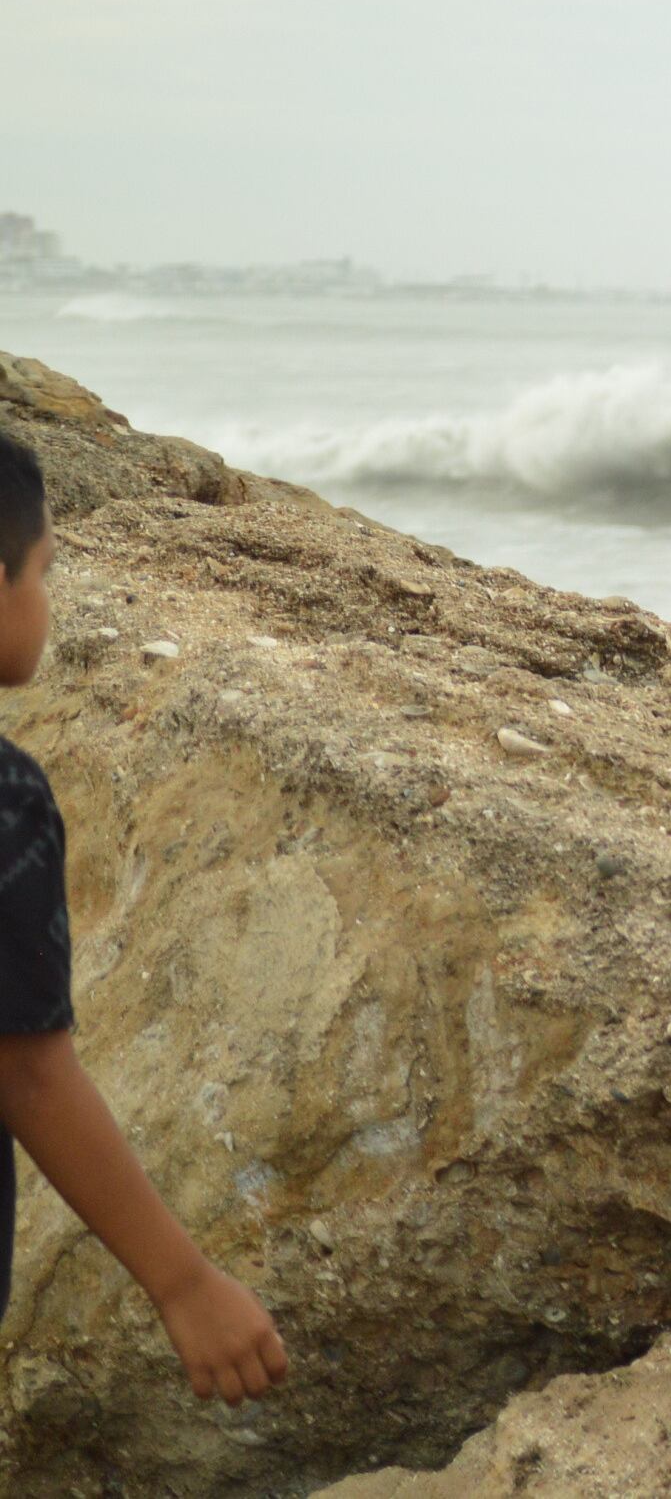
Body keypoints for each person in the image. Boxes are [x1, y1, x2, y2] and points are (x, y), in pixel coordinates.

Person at [0, 431, 288, 1403]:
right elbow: (26, 1069)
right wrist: (185, 1284)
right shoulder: (5, 802)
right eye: (43, 572)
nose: (48, 601)